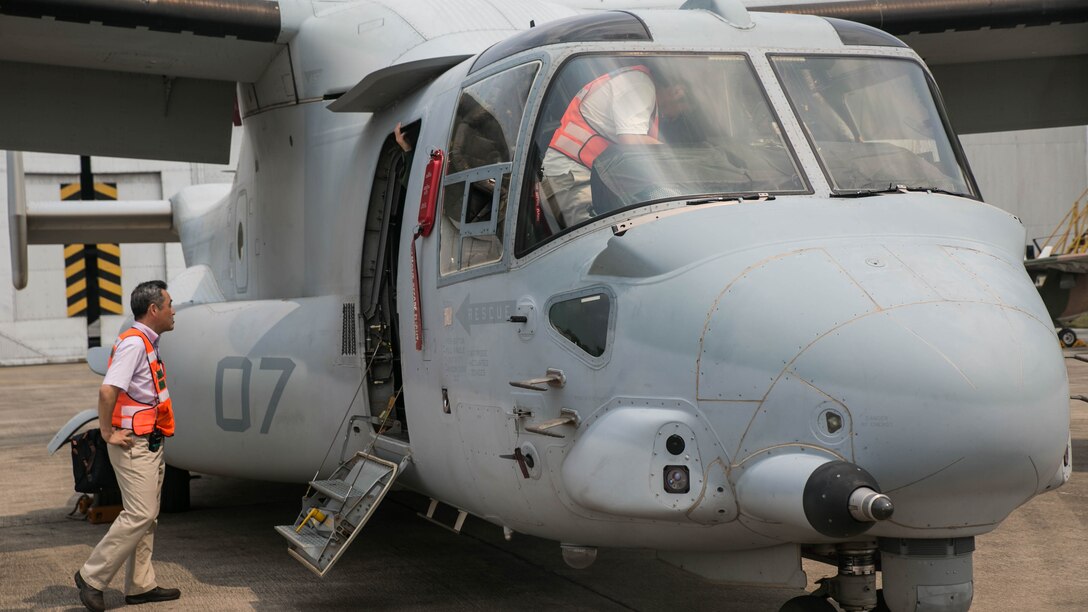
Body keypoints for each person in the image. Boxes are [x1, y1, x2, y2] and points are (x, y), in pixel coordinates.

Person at [75, 280, 179, 612]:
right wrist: (106, 434)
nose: (173, 311)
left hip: (149, 441)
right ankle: (92, 577)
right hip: (133, 443)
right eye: (169, 304)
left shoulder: (147, 342)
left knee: (148, 518)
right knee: (140, 514)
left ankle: (140, 585)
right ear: (154, 310)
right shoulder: (135, 344)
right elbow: (108, 391)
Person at [540, 64, 689, 228]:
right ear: (676, 91)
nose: (679, 113)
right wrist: (681, 158)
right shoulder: (640, 84)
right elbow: (632, 141)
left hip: (586, 178)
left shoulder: (640, 87)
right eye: (683, 105)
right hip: (572, 179)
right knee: (599, 241)